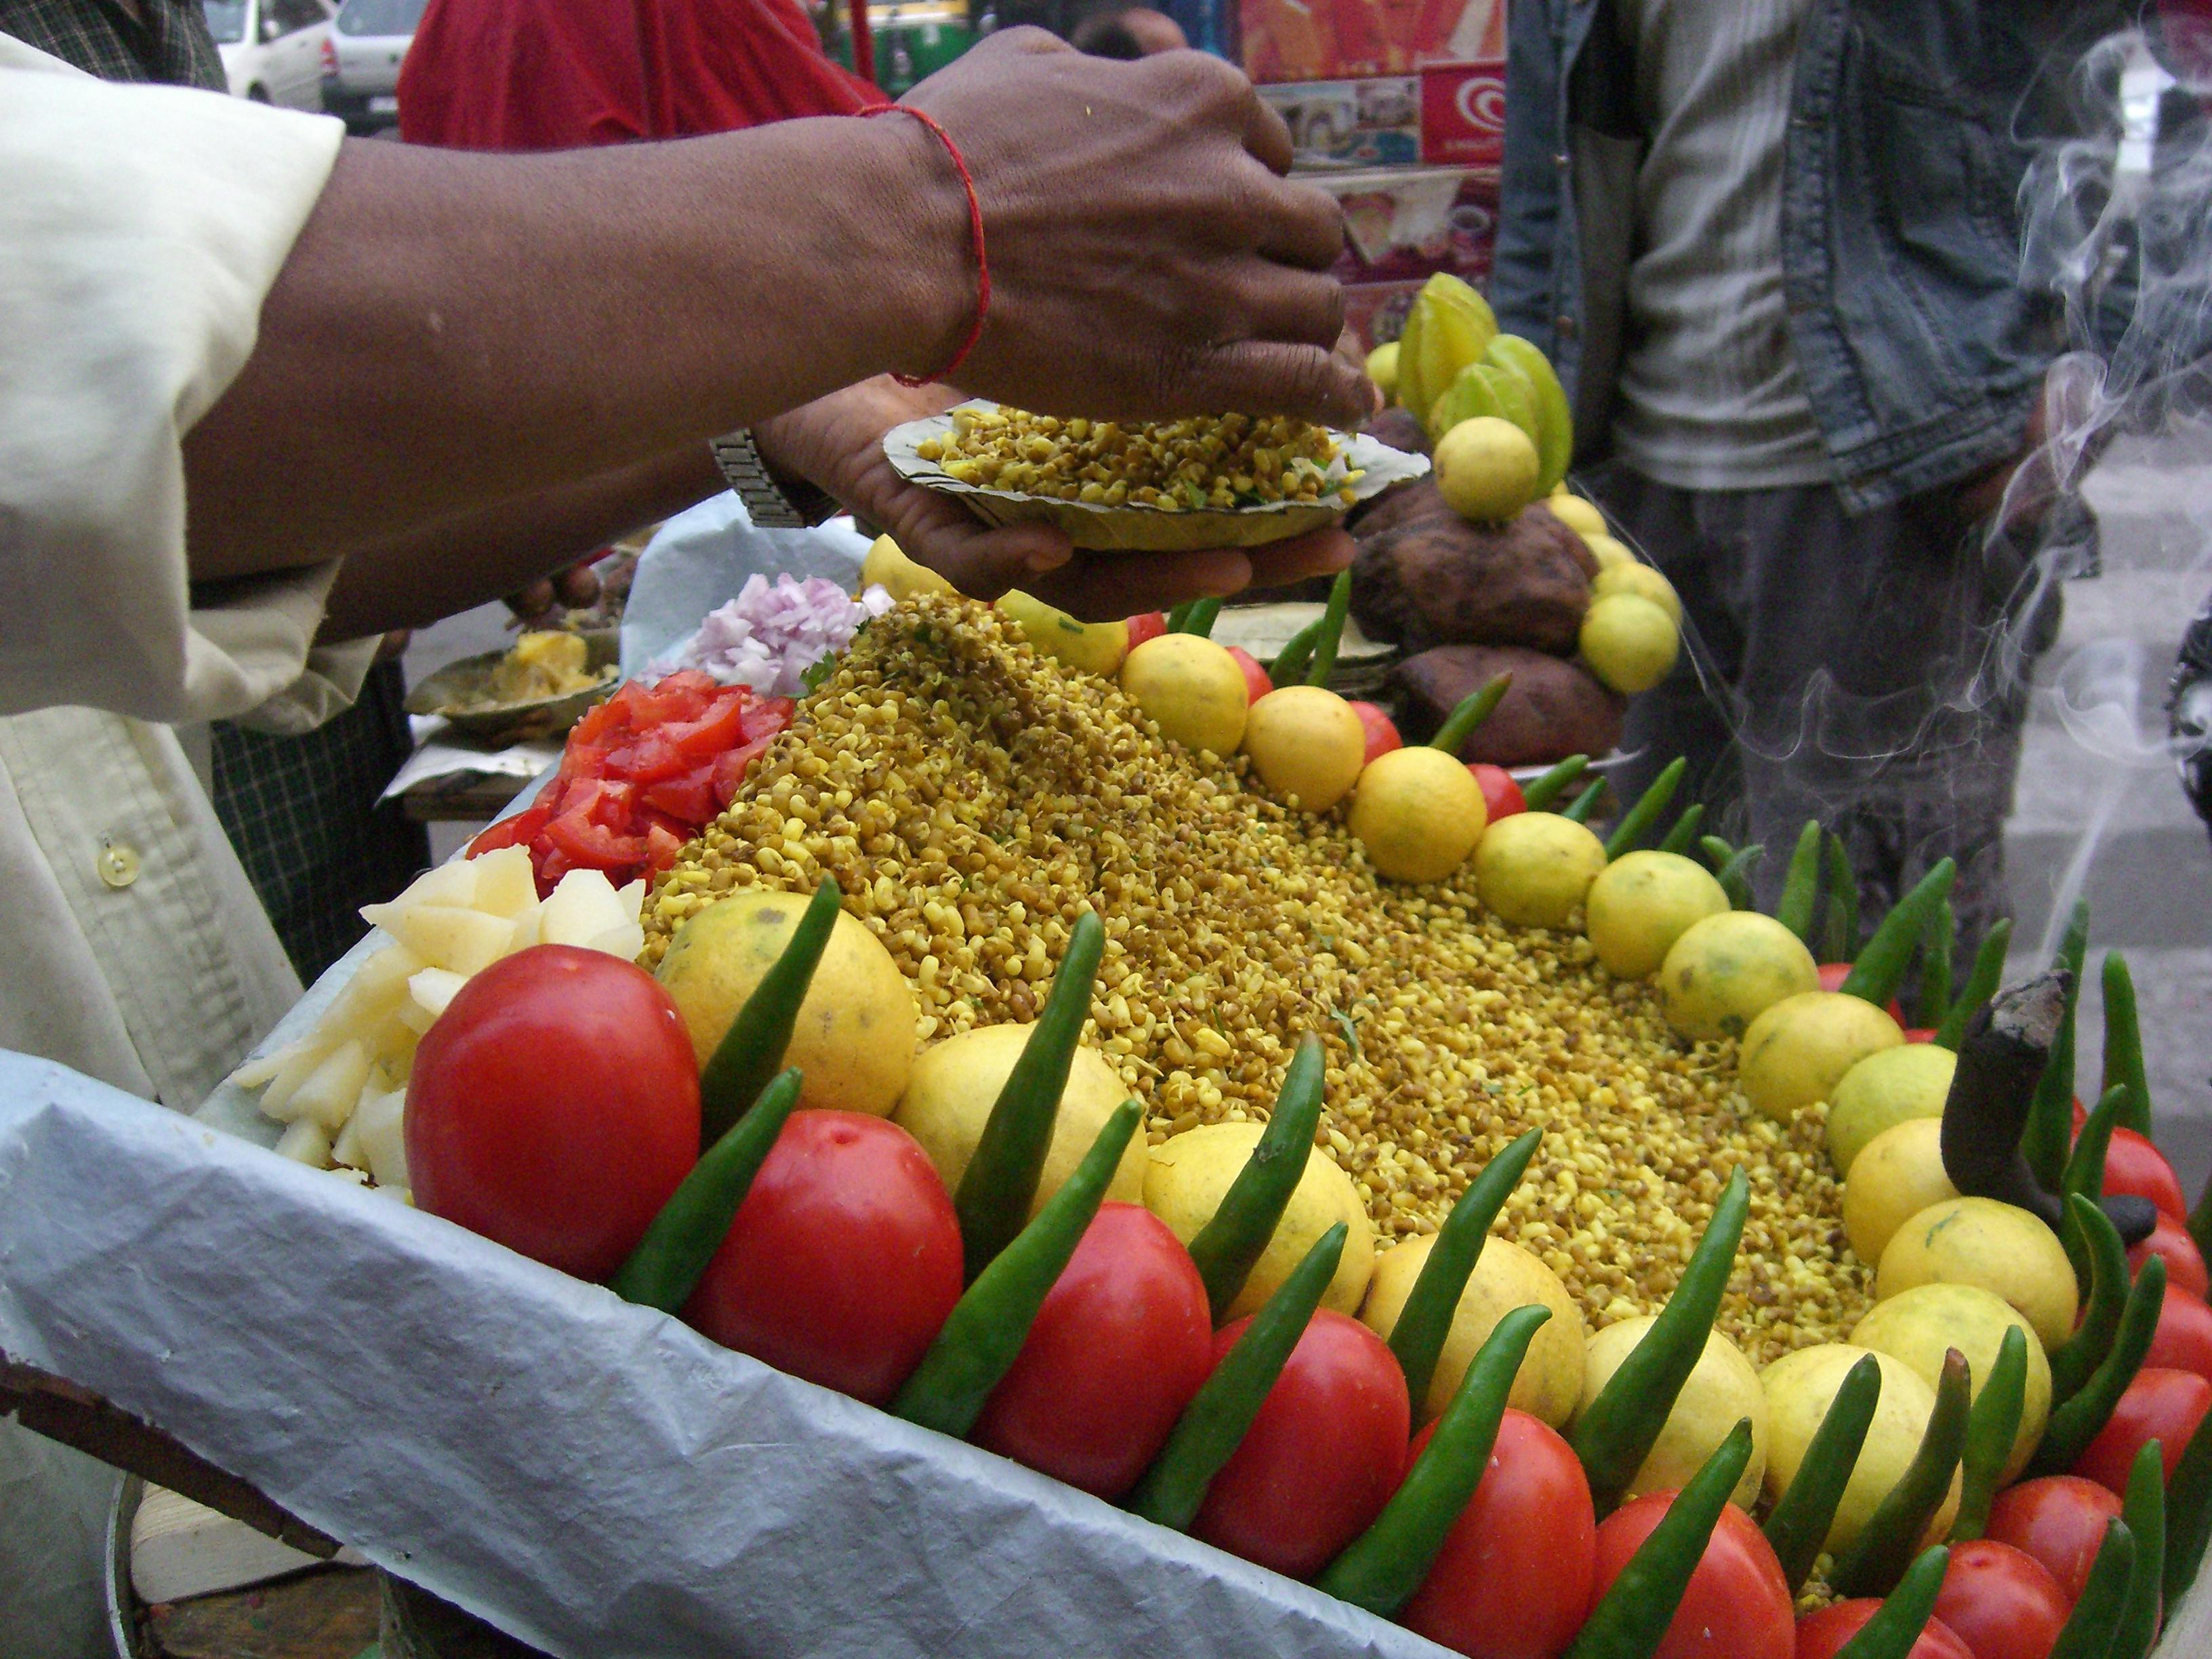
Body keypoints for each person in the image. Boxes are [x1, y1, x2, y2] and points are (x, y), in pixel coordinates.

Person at [1491, 1, 2127, 956]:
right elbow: (1549, 174)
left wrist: (2095, 361)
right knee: (1646, 927)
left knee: (1871, 955)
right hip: (1630, 473)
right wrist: (1518, 438)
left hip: (1904, 469)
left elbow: (2143, 72)